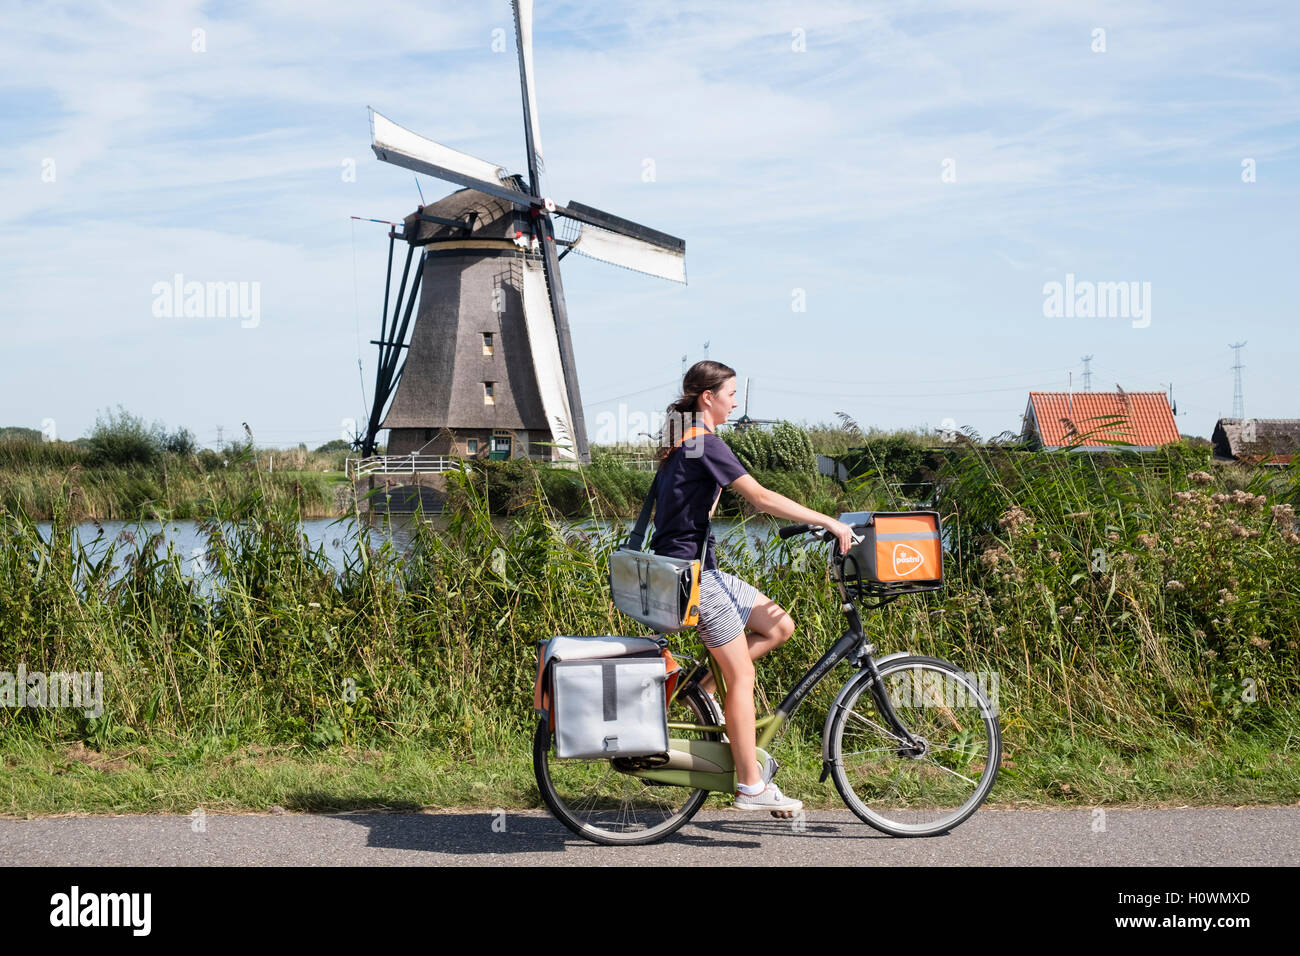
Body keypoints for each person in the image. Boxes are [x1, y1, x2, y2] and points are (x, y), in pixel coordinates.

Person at [651, 360, 852, 812]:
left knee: (779, 625)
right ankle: (750, 785)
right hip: (694, 579)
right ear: (708, 397)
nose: (735, 401)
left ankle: (702, 688)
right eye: (731, 393)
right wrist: (827, 521)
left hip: (698, 571)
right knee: (742, 675)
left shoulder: (680, 442)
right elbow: (760, 498)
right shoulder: (705, 443)